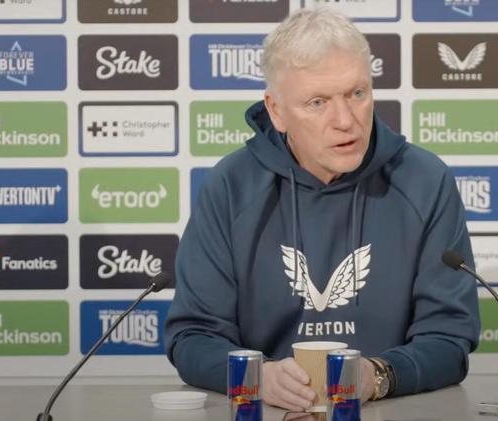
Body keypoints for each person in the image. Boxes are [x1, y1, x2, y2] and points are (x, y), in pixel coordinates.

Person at [164, 8, 480, 412]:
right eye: (317, 102)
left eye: (357, 94)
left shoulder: (425, 180)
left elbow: (450, 338)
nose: (345, 120)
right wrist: (257, 377)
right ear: (276, 111)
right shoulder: (230, 186)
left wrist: (379, 375)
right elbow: (192, 337)